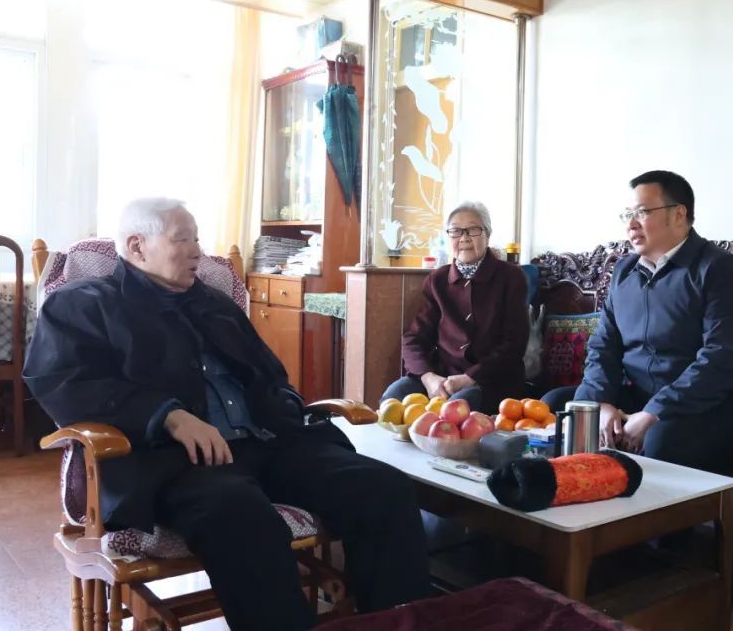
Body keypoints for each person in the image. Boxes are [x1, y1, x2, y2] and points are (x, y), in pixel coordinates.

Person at [24, 198, 431, 631]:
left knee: (383, 487)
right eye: (183, 240)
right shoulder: (83, 304)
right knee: (244, 518)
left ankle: (400, 624)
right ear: (137, 246)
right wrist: (167, 416)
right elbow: (66, 384)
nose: (198, 251)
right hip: (176, 463)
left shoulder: (214, 302)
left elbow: (270, 376)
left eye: (197, 239)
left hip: (268, 443)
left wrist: (286, 408)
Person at [542, 170, 733, 475]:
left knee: (660, 440)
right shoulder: (625, 271)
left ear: (679, 214)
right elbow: (603, 346)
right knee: (560, 405)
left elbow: (722, 358)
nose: (631, 224)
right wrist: (600, 403)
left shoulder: (718, 269)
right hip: (640, 396)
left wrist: (655, 412)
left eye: (642, 213)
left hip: (714, 407)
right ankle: (572, 498)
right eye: (628, 215)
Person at [384, 201, 529, 415]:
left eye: (473, 229)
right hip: (442, 379)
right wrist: (428, 377)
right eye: (456, 231)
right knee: (394, 397)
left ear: (487, 235)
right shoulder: (438, 280)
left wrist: (470, 377)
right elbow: (414, 338)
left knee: (457, 408)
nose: (464, 238)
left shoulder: (511, 277)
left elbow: (514, 344)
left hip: (491, 380)